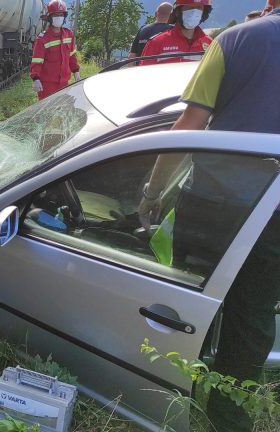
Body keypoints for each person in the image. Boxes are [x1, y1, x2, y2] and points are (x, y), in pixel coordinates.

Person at [138, 2, 280, 430]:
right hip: (274, 212)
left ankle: (175, 394)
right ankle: (229, 416)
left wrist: (153, 191)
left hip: (216, 203)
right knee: (252, 314)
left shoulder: (235, 40)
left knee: (191, 302)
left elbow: (190, 124)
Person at [30, 0, 80, 100]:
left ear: (64, 16)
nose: (59, 17)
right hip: (47, 85)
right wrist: (36, 79)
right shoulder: (42, 39)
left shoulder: (69, 34)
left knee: (60, 111)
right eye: (56, 15)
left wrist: (76, 72)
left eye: (61, 14)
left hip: (64, 83)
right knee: (46, 112)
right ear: (49, 17)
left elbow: (71, 56)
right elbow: (37, 61)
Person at [139, 0, 213, 65]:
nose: (194, 12)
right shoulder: (156, 43)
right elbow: (144, 76)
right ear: (178, 12)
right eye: (189, 8)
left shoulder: (210, 44)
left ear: (204, 13)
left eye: (199, 8)